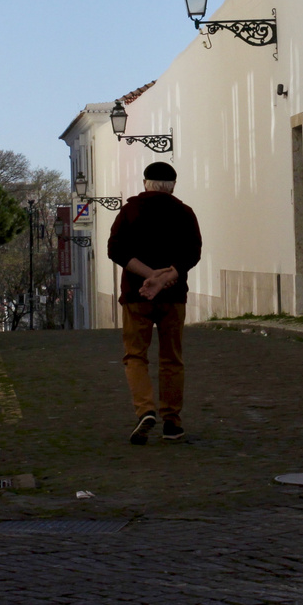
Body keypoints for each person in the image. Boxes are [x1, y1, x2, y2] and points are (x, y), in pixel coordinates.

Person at [106, 160, 202, 445]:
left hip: (137, 296)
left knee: (135, 355)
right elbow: (193, 252)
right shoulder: (184, 213)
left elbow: (115, 249)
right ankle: (172, 421)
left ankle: (145, 410)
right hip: (173, 296)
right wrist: (165, 277)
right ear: (173, 186)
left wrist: (148, 276)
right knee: (172, 358)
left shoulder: (130, 210)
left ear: (145, 183)